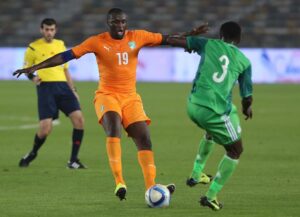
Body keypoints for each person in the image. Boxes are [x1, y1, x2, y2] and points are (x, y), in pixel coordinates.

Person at [13, 8, 211, 201]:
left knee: (144, 138)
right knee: (114, 129)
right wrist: (34, 67)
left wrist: (190, 36)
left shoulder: (138, 36)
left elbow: (167, 39)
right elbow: (66, 56)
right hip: (107, 95)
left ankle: (151, 185)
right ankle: (119, 182)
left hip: (130, 97)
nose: (121, 25)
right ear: (109, 23)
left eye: (123, 21)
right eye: (116, 21)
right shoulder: (97, 41)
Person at [166, 21, 253, 211]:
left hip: (193, 105)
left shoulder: (207, 44)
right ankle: (211, 196)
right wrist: (247, 108)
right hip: (213, 111)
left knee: (212, 131)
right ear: (238, 39)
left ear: (220, 35)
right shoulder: (244, 61)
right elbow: (247, 96)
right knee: (236, 150)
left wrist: (190, 33)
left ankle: (196, 174)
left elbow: (172, 40)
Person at [18, 18, 86, 169]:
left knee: (79, 120)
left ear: (55, 30)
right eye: (46, 29)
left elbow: (65, 69)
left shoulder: (60, 44)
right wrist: (33, 77)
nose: (49, 32)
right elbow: (27, 68)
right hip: (46, 88)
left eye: (52, 29)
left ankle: (73, 160)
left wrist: (73, 90)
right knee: (45, 128)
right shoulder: (33, 48)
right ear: (41, 30)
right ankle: (33, 153)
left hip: (63, 87)